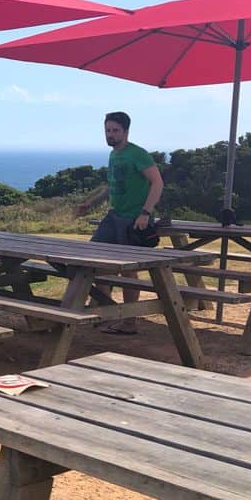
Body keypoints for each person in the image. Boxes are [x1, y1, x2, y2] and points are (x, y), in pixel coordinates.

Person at [78, 111, 164, 335]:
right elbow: (112, 185)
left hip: (133, 219)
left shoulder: (138, 154)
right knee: (95, 261)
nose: (111, 134)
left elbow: (157, 183)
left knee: (128, 270)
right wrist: (91, 203)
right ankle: (104, 313)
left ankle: (129, 321)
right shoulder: (114, 156)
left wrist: (145, 213)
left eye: (115, 130)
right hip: (113, 216)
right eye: (108, 130)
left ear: (126, 131)